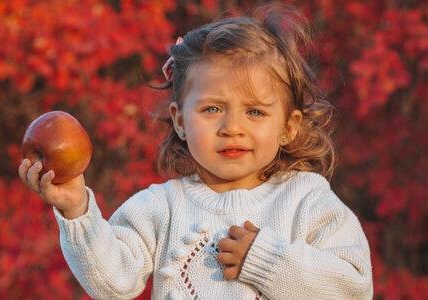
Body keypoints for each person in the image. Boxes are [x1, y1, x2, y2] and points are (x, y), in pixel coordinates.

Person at [19, 3, 373, 299]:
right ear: (180, 121)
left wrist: (266, 260)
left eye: (255, 112)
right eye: (212, 109)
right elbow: (114, 282)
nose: (232, 127)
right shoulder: (160, 207)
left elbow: (354, 288)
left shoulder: (306, 201)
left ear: (288, 126)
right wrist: (77, 210)